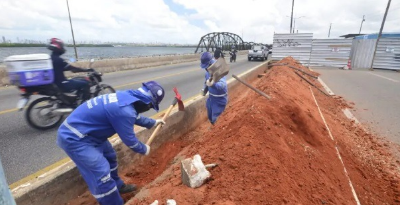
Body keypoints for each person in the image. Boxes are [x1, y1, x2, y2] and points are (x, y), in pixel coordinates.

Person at [57, 81, 166, 205]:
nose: (149, 109)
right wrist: (144, 149)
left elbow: (133, 116)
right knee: (101, 173)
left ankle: (118, 186)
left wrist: (153, 122)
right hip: (76, 138)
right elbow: (130, 141)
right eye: (151, 106)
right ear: (147, 102)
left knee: (110, 157)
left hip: (92, 135)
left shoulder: (127, 97)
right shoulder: (125, 111)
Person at [200, 52, 228, 125]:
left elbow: (222, 85)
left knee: (216, 119)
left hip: (219, 100)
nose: (205, 69)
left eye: (206, 66)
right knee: (210, 117)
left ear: (210, 63)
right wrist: (204, 89)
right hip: (211, 98)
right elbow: (206, 81)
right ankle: (213, 126)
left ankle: (217, 132)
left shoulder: (219, 70)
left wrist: (213, 84)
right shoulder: (207, 72)